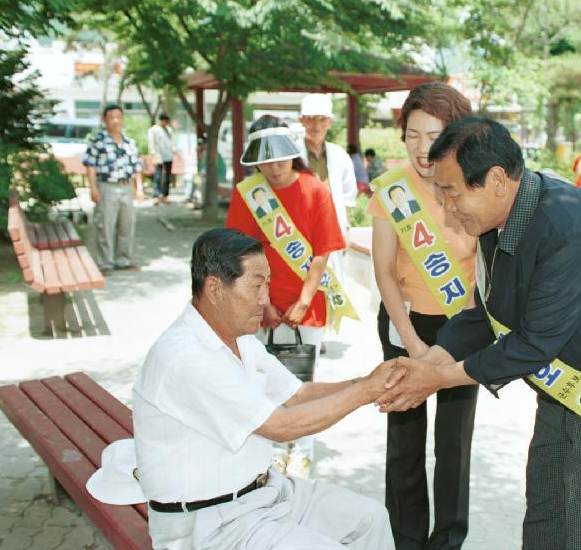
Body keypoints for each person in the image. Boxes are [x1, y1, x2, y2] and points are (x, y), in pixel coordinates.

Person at [377, 116, 581, 550]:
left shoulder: (573, 227)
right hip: (565, 382)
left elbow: (534, 342)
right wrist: (426, 363)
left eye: (452, 192)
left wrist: (437, 379)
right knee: (546, 509)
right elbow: (487, 316)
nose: (446, 208)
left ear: (496, 179)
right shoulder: (497, 223)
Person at [133, 227, 395, 550]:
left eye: (267, 284)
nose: (266, 299)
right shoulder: (186, 357)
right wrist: (367, 391)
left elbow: (296, 394)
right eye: (256, 285)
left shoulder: (240, 338)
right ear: (215, 289)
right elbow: (282, 426)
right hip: (211, 524)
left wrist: (369, 381)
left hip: (267, 494)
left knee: (371, 519)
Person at [367, 82, 477, 550]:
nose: (421, 146)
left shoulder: (475, 181)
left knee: (453, 444)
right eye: (411, 134)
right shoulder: (392, 190)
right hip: (404, 324)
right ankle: (405, 538)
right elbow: (384, 274)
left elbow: (487, 267)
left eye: (432, 133)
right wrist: (413, 347)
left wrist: (451, 346)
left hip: (462, 326)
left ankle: (447, 540)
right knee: (405, 438)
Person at [226, 115, 354, 478]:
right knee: (261, 379)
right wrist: (262, 303)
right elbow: (240, 251)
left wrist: (303, 300)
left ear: (292, 152)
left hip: (306, 306)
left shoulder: (316, 190)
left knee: (302, 383)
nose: (274, 166)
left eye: (280, 157)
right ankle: (272, 449)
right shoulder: (248, 193)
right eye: (265, 160)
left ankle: (302, 449)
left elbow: (321, 251)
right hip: (257, 305)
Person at [83, 104, 144, 273]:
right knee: (105, 225)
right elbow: (90, 166)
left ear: (122, 119)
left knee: (127, 225)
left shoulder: (129, 142)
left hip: (126, 187)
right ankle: (105, 263)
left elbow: (137, 167)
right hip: (106, 187)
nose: (116, 121)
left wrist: (139, 188)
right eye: (111, 117)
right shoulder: (98, 141)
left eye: (118, 117)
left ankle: (123, 260)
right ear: (105, 120)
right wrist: (93, 188)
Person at [298, 93, 357, 244]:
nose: (316, 126)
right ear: (302, 121)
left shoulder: (340, 155)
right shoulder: (292, 155)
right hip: (298, 234)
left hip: (333, 231)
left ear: (330, 122)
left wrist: (346, 230)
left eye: (322, 119)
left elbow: (348, 198)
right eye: (310, 119)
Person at [147, 112, 176, 204]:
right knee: (158, 176)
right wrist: (153, 155)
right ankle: (156, 195)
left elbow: (171, 142)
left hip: (168, 155)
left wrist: (174, 151)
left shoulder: (169, 130)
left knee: (167, 177)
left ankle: (165, 195)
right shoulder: (154, 130)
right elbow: (151, 142)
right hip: (158, 155)